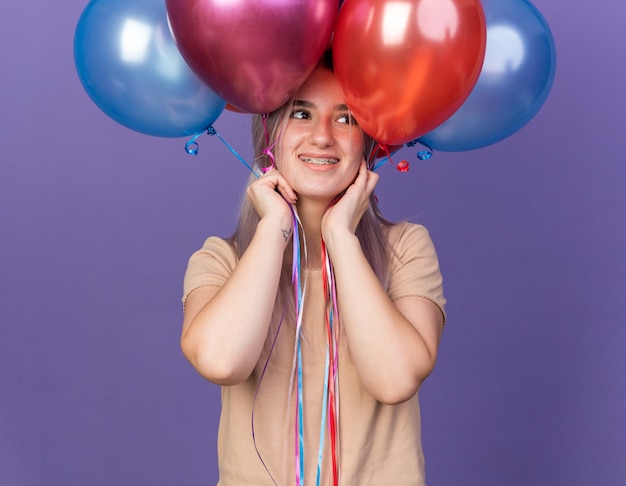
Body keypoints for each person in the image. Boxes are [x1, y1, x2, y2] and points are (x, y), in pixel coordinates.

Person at [181, 51, 446, 485]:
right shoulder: (221, 259)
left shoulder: (406, 248)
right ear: (268, 133)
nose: (322, 137)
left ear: (369, 141)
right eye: (301, 113)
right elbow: (221, 362)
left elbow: (395, 380)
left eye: (346, 119)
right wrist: (273, 228)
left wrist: (340, 234)